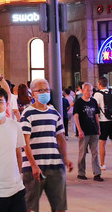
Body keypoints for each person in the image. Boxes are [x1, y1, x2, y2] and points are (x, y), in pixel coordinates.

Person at [20, 78, 73, 212]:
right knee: (30, 207)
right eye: (41, 90)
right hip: (33, 169)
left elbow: (60, 139)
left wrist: (65, 158)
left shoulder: (54, 113)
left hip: (55, 165)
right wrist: (33, 165)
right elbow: (25, 142)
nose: (45, 93)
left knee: (60, 207)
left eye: (47, 90)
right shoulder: (27, 114)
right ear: (32, 93)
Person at [73, 82, 102, 181]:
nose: (89, 93)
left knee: (95, 152)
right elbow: (76, 117)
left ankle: (97, 173)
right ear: (82, 91)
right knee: (82, 153)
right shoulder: (79, 102)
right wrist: (79, 130)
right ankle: (81, 172)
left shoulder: (93, 101)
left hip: (93, 130)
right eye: (87, 90)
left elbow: (96, 116)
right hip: (84, 131)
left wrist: (98, 128)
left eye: (91, 90)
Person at [93, 77, 112, 171]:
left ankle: (102, 164)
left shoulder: (97, 94)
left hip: (103, 121)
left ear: (99, 84)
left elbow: (95, 106)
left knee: (102, 143)